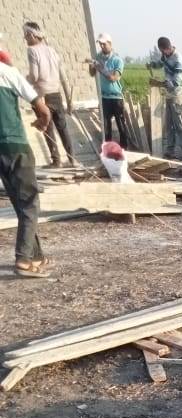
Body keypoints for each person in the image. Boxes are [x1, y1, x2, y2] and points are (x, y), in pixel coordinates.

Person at [0, 58, 52, 276]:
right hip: (16, 146)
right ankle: (23, 259)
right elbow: (43, 110)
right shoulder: (8, 72)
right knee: (30, 203)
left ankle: (36, 255)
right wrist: (42, 121)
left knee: (21, 204)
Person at [23, 21, 75, 168]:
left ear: (32, 35)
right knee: (62, 128)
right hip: (56, 94)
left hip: (42, 95)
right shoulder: (52, 50)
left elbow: (35, 75)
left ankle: (56, 161)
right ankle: (72, 160)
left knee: (47, 128)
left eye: (26, 35)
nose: (25, 39)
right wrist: (69, 100)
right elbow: (62, 76)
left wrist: (24, 80)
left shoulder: (32, 50)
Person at [147, 37, 182, 161]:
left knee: (180, 127)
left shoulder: (178, 59)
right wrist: (151, 65)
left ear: (166, 48)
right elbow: (160, 63)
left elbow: (176, 83)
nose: (162, 54)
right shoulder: (165, 55)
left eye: (162, 51)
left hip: (177, 96)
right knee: (169, 126)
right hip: (169, 96)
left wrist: (158, 83)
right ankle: (170, 151)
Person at [88, 32, 128, 149]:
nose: (102, 46)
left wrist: (100, 68)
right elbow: (92, 74)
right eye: (100, 44)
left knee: (121, 124)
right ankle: (108, 149)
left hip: (116, 97)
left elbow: (113, 78)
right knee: (106, 126)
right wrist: (91, 66)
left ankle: (124, 148)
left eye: (104, 44)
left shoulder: (117, 60)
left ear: (110, 43)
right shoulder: (98, 57)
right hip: (104, 97)